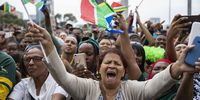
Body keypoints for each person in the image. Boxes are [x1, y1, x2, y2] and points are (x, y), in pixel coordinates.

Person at [28, 14, 200, 99]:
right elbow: (63, 78)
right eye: (107, 62)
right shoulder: (87, 87)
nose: (111, 66)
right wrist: (48, 44)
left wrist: (178, 67)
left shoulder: (132, 89)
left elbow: (155, 84)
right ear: (100, 69)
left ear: (124, 71)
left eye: (117, 64)